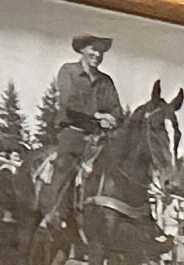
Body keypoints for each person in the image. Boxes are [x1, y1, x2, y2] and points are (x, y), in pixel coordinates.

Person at [34, 34, 128, 236]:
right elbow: (69, 102)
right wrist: (97, 116)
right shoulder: (68, 71)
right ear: (82, 50)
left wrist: (113, 118)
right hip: (73, 132)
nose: (97, 54)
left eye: (101, 51)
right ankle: (52, 213)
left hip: (99, 138)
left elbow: (116, 109)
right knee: (65, 166)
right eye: (93, 49)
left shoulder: (106, 81)